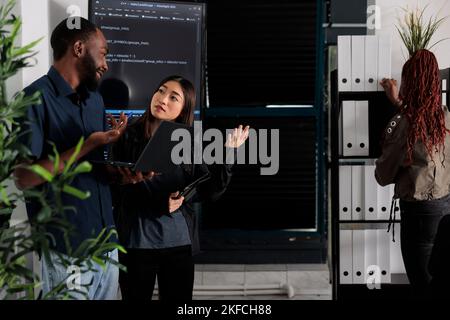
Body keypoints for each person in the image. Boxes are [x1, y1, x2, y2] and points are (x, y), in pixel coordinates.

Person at [14, 17, 128, 299]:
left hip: (107, 245)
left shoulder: (95, 100)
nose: (106, 64)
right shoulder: (33, 99)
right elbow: (24, 178)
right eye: (103, 53)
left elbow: (96, 168)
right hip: (68, 250)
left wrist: (125, 174)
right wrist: (87, 145)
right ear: (79, 49)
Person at [110, 75, 249, 301]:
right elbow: (115, 191)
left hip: (177, 245)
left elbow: (210, 191)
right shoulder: (126, 136)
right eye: (161, 91)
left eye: (173, 97)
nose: (162, 99)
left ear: (184, 109)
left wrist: (228, 153)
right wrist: (157, 202)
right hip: (136, 245)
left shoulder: (189, 143)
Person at [375, 49, 450, 298]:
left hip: (418, 216)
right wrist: (399, 104)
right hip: (445, 210)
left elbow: (383, 176)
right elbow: (422, 124)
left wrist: (397, 114)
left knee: (422, 286)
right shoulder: (445, 117)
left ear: (410, 82)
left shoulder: (403, 124)